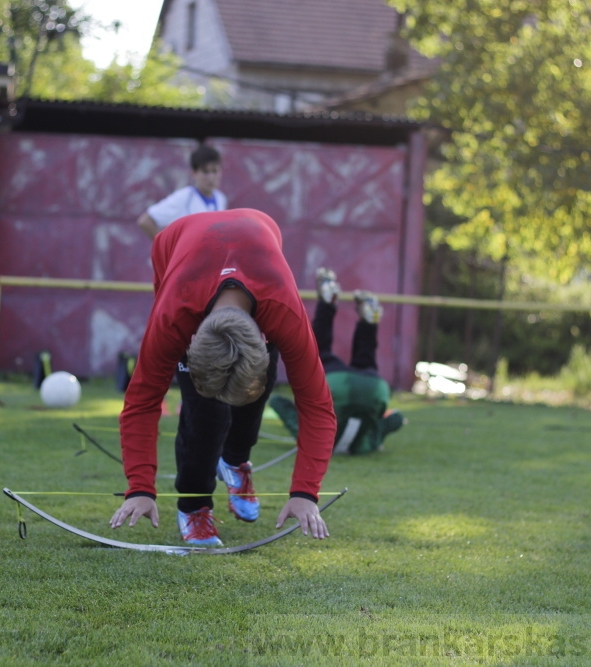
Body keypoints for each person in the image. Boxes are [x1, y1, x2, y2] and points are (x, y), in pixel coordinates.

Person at [109, 208, 337, 546]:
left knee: (258, 389)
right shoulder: (173, 318)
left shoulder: (283, 312)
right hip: (177, 245)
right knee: (205, 414)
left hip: (258, 231)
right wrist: (140, 488)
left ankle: (234, 460)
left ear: (264, 337)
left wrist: (305, 492)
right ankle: (194, 508)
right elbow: (142, 402)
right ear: (190, 343)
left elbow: (317, 406)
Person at [270, 268, 404, 454]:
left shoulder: (368, 444)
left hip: (374, 389)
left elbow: (397, 419)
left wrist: (384, 418)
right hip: (336, 385)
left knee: (365, 360)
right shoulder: (312, 438)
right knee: (318, 351)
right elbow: (277, 402)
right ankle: (327, 301)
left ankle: (369, 322)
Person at [136, 145, 227, 239]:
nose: (211, 177)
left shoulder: (221, 198)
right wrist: (167, 246)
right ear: (194, 173)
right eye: (205, 171)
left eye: (215, 171)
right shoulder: (184, 197)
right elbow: (145, 221)